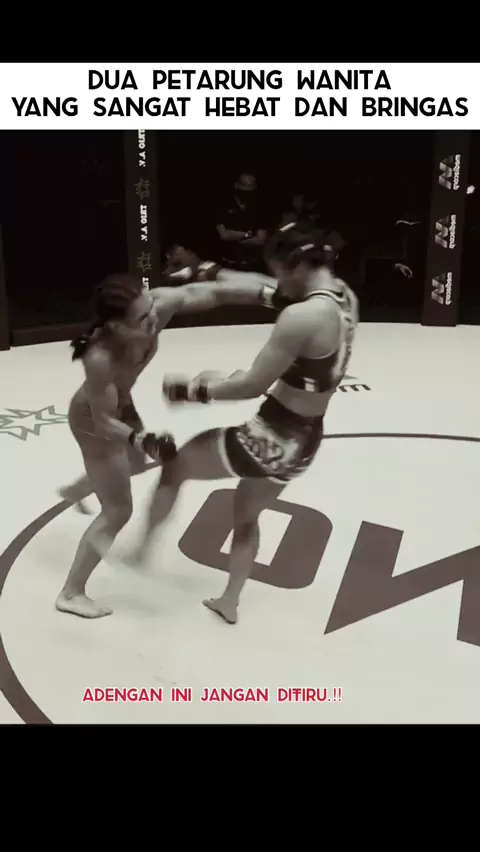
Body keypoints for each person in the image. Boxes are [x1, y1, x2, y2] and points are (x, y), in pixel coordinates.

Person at [132, 223, 359, 625]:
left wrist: (193, 390)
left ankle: (141, 550)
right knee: (246, 516)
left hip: (272, 435)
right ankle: (230, 600)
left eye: (280, 271)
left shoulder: (302, 316)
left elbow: (251, 386)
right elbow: (259, 287)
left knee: (176, 467)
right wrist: (209, 270)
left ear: (295, 265)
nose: (277, 281)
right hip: (306, 440)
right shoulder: (343, 296)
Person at [56, 271, 264, 619]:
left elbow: (211, 293)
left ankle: (79, 488)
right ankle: (71, 592)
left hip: (121, 407)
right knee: (118, 510)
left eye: (150, 306)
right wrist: (140, 438)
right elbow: (104, 422)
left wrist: (268, 295)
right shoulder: (100, 357)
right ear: (117, 327)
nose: (153, 317)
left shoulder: (157, 307)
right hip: (94, 424)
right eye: (142, 317)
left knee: (137, 464)